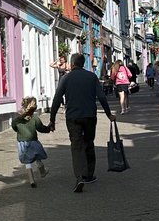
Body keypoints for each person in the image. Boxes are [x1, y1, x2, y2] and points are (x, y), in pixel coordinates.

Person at [49, 53, 115, 193]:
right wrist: (108, 113)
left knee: (76, 146)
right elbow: (102, 97)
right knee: (89, 143)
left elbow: (56, 99)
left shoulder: (66, 78)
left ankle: (79, 176)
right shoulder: (92, 77)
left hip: (73, 117)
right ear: (83, 63)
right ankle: (88, 175)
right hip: (90, 115)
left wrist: (52, 119)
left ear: (72, 64)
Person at [10, 96, 51, 188]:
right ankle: (42, 172)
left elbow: (14, 127)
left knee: (27, 162)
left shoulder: (17, 120)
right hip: (33, 141)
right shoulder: (35, 118)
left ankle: (32, 181)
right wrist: (49, 128)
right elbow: (41, 128)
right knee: (37, 157)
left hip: (22, 143)